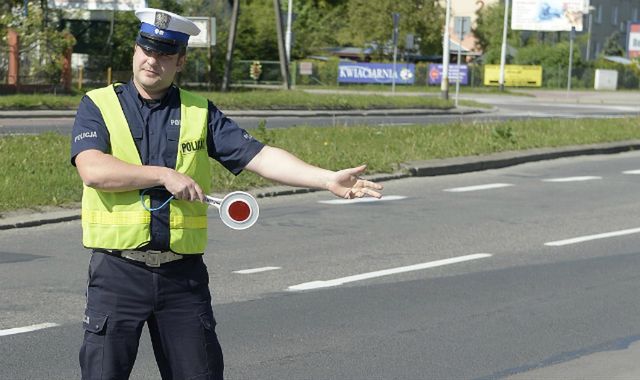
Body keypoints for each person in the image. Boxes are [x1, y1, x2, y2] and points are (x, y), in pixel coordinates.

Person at [70, 7, 383, 380]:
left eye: (165, 53)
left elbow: (261, 156)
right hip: (118, 272)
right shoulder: (98, 105)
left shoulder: (199, 112)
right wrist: (163, 175)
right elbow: (93, 170)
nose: (152, 60)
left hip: (181, 277)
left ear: (180, 61)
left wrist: (326, 178)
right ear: (134, 52)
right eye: (146, 49)